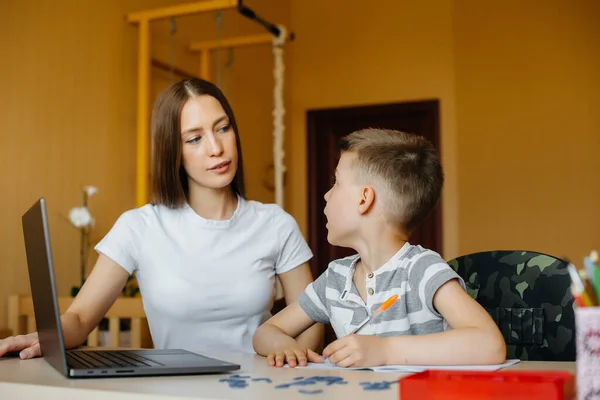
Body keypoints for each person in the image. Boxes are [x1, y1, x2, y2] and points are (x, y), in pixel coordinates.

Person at [0, 78, 322, 359]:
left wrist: (298, 362)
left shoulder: (276, 224)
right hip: (172, 389)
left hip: (261, 388)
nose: (216, 148)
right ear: (174, 152)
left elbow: (311, 319)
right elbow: (81, 319)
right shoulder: (139, 227)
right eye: (194, 138)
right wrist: (46, 337)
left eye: (222, 128)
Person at [253, 128, 506, 368]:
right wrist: (284, 346)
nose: (326, 195)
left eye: (336, 182)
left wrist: (385, 351)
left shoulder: (421, 270)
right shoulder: (335, 279)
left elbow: (490, 344)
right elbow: (266, 332)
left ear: (364, 199)